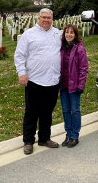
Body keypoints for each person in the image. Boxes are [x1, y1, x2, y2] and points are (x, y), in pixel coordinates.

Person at [14, 8, 62, 154]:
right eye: (44, 17)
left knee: (47, 111)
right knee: (31, 112)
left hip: (53, 80)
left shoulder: (58, 34)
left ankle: (44, 138)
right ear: (38, 18)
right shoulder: (29, 35)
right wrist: (22, 73)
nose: (46, 20)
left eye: (49, 18)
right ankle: (28, 141)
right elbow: (19, 55)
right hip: (35, 80)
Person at [60, 24, 88, 148]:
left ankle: (75, 135)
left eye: (71, 32)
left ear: (75, 35)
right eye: (67, 32)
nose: (69, 35)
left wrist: (81, 85)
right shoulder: (61, 48)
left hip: (74, 86)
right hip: (63, 85)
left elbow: (84, 68)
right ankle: (68, 133)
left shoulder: (79, 49)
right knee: (66, 110)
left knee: (75, 110)